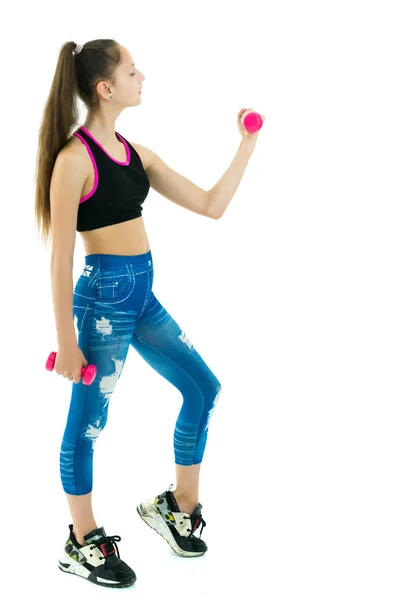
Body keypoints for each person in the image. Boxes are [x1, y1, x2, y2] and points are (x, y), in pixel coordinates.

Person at [34, 38, 263, 588]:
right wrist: (66, 339)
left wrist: (247, 144)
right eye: (133, 71)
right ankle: (82, 542)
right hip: (103, 302)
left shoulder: (139, 156)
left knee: (204, 389)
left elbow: (211, 205)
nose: (144, 77)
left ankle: (175, 508)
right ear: (104, 87)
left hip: (141, 297)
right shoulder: (72, 160)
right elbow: (61, 256)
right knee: (87, 425)